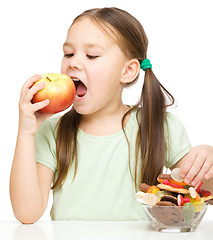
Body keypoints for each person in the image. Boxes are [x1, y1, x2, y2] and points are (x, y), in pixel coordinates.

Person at [10, 7, 213, 224]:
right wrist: (26, 132)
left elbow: (203, 193)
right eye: (69, 53)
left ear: (127, 71)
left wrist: (207, 158)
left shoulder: (160, 127)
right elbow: (26, 213)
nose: (73, 63)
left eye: (92, 55)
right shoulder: (53, 131)